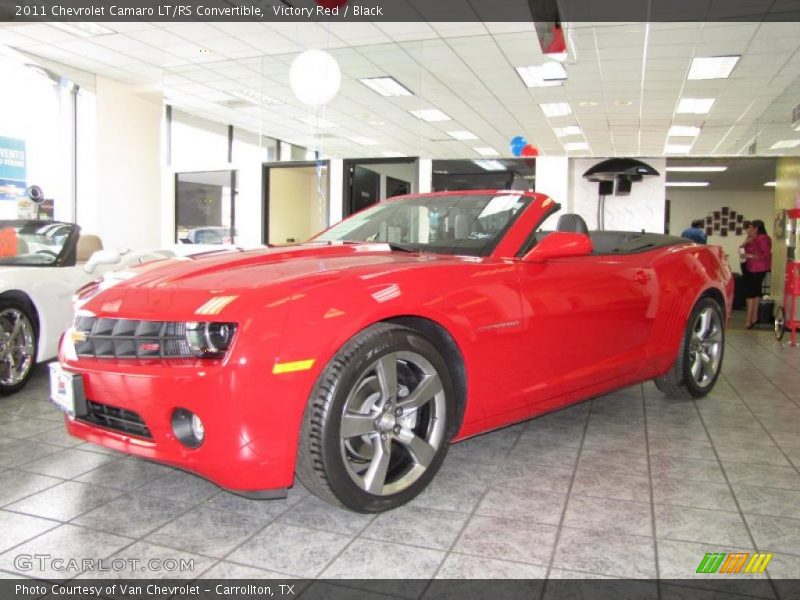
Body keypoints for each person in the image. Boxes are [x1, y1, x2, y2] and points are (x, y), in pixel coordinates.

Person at [740, 219, 772, 329]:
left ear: (756, 229)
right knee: (755, 292)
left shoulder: (763, 239)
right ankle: (754, 317)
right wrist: (745, 243)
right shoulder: (751, 239)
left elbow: (765, 255)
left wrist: (749, 256)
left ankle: (749, 319)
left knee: (750, 293)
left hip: (758, 269)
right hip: (750, 268)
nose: (748, 230)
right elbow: (741, 250)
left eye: (750, 227)